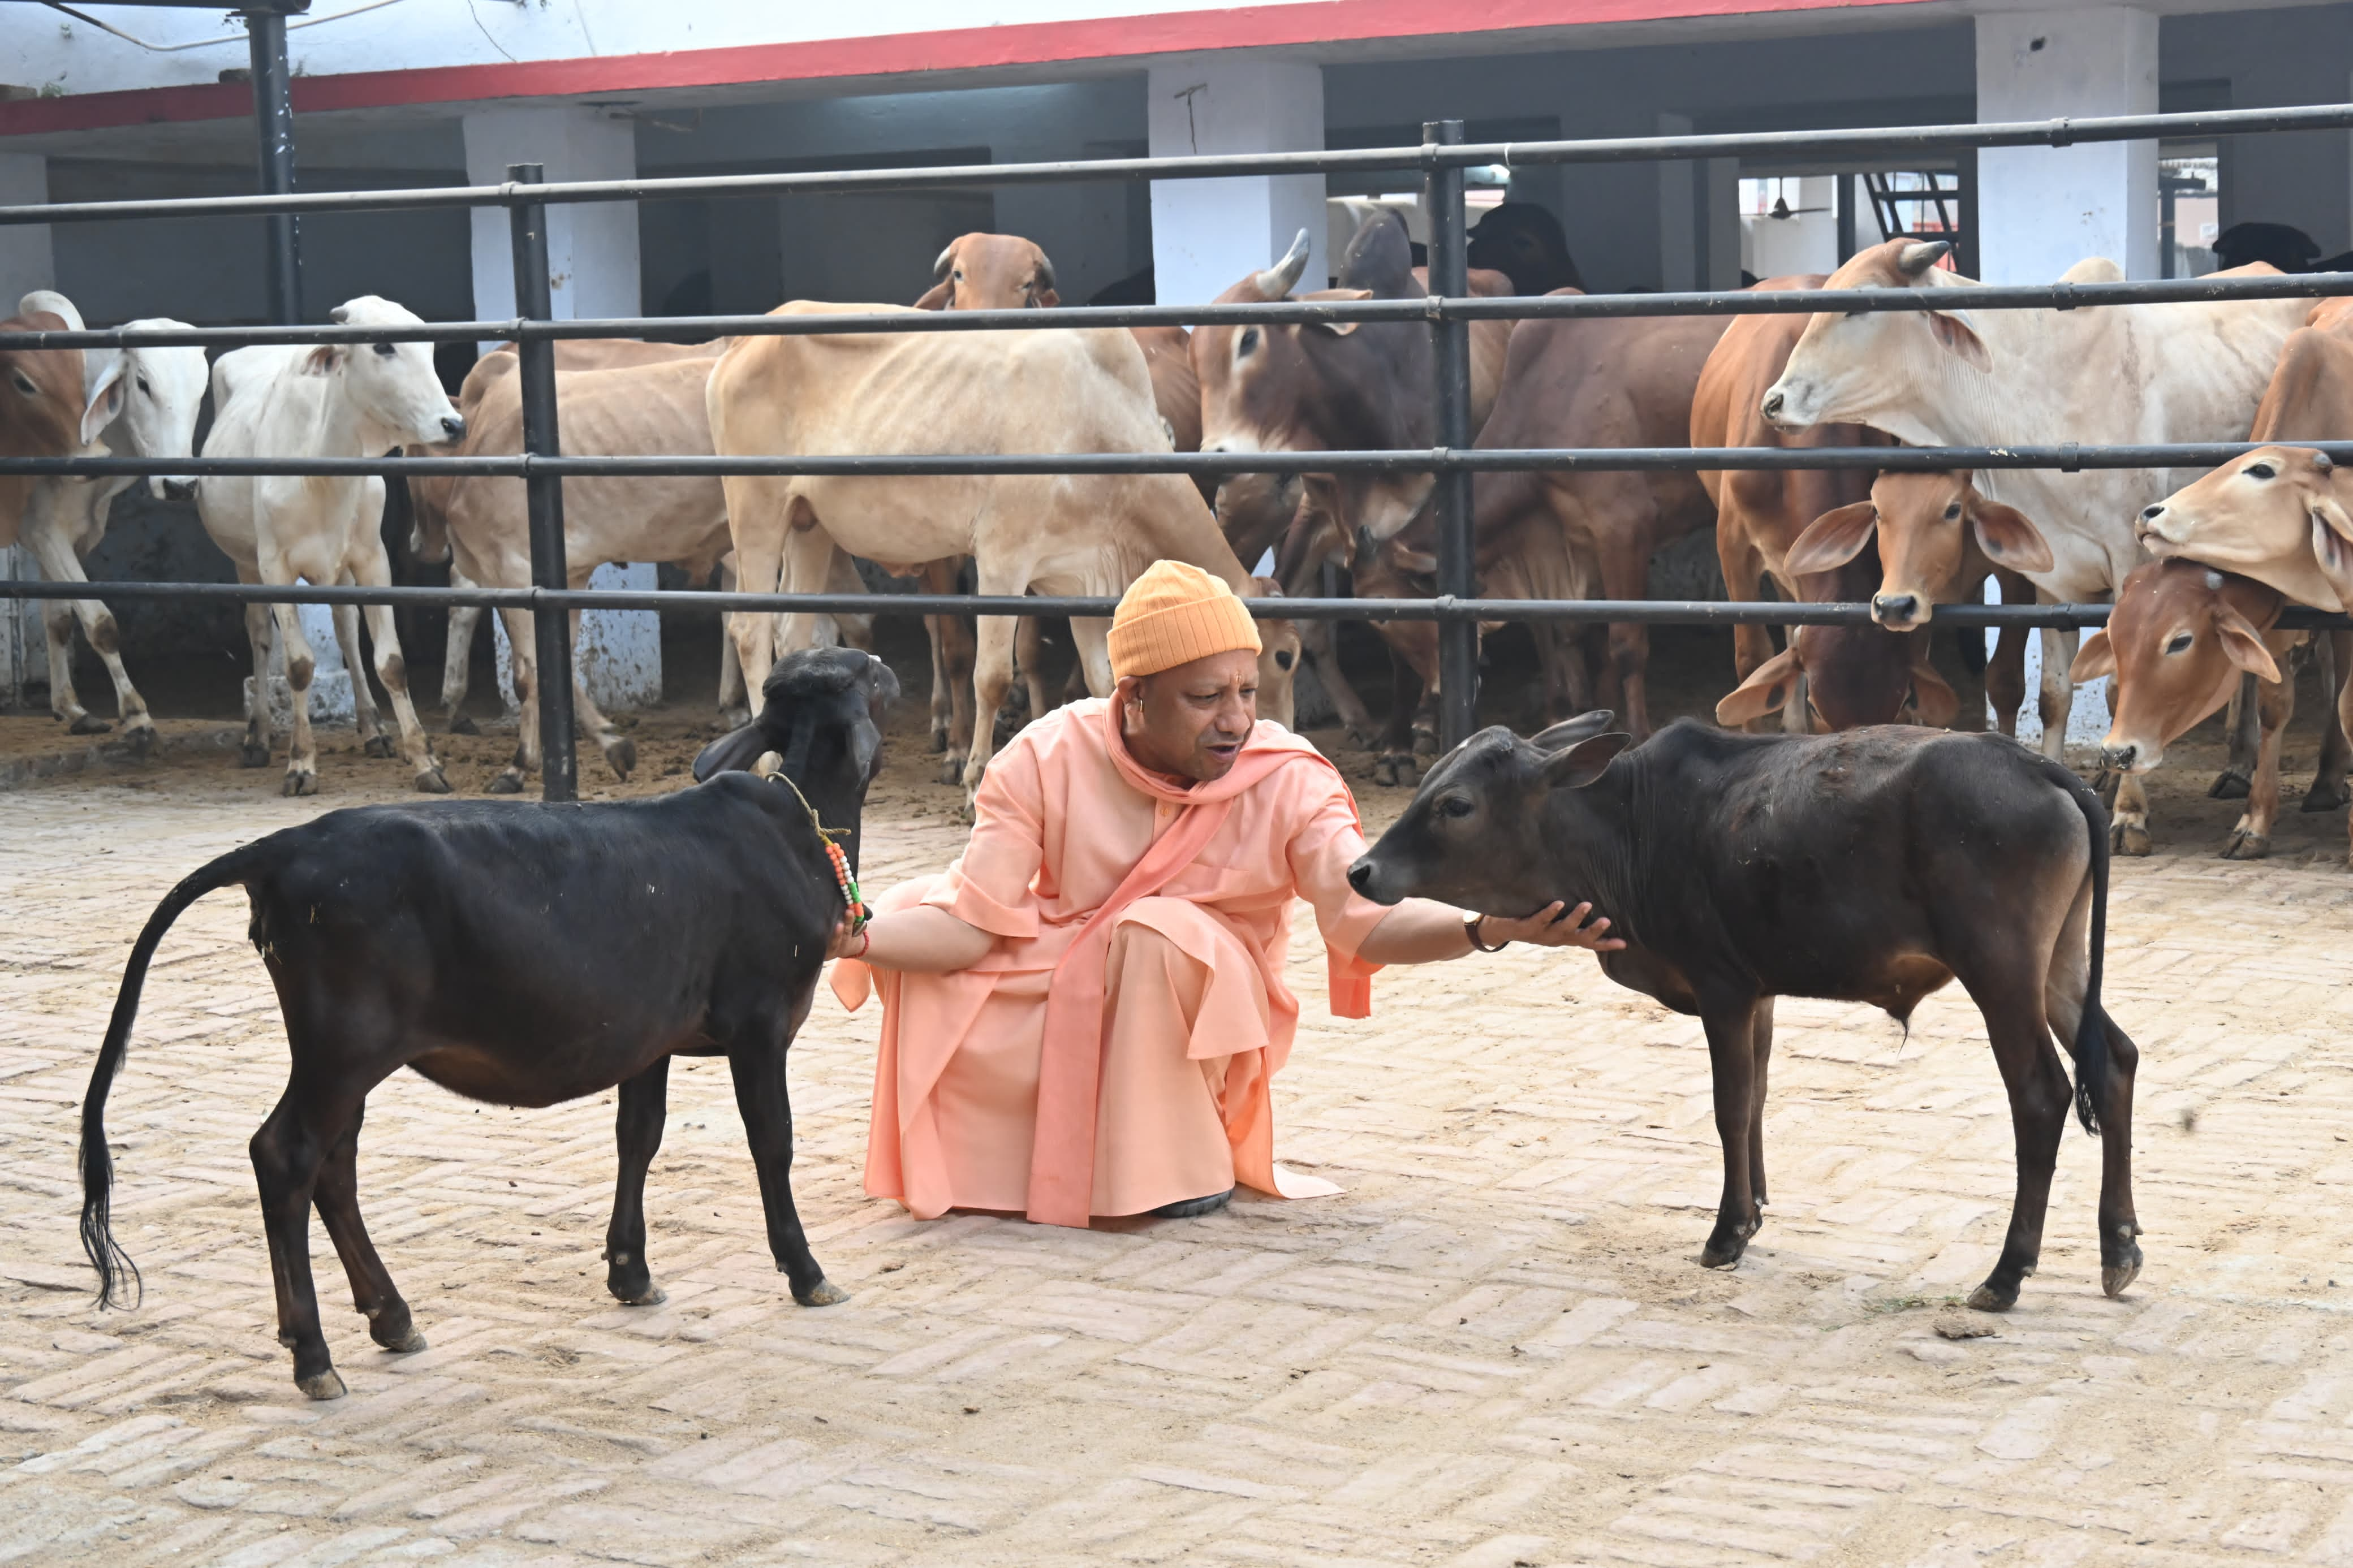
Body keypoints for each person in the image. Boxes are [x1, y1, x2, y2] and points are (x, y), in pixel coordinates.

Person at [828, 560, 1622, 1227]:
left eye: (1245, 691)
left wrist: (1489, 929)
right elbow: (972, 924)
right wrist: (853, 934)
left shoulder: (1288, 776)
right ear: (1132, 698)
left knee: (1157, 931)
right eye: (1205, 698)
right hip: (1070, 960)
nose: (1237, 719)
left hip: (1198, 988)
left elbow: (1364, 924)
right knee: (904, 915)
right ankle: (1004, 1165)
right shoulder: (1044, 755)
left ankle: (1178, 1167)